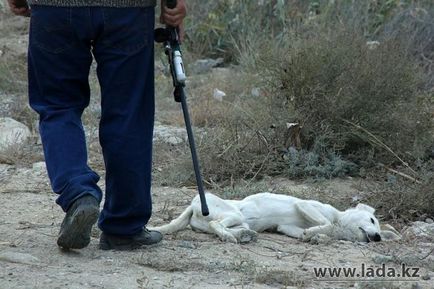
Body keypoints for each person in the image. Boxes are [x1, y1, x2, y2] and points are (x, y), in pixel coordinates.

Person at [7, 0, 186, 250]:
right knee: (129, 111)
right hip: (129, 10)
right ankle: (124, 225)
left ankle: (78, 192)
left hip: (54, 8)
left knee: (57, 105)